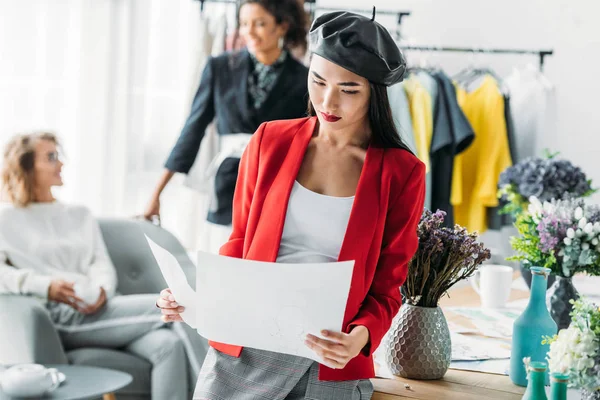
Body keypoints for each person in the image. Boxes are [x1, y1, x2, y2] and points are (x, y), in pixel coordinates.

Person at [158, 9, 425, 400]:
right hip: (247, 342)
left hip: (331, 355)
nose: (328, 100)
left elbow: (388, 285)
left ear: (374, 93)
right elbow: (238, 246)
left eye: (348, 89)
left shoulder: (402, 172)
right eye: (317, 81)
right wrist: (196, 298)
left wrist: (360, 338)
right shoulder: (270, 140)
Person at [0, 132, 202, 399]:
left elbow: (100, 262)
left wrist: (103, 290)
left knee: (168, 345)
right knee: (181, 306)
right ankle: (220, 393)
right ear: (25, 166)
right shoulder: (7, 219)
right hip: (65, 314)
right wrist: (45, 286)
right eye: (51, 157)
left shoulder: (79, 214)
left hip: (105, 307)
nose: (61, 163)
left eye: (59, 156)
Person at [144, 0, 309, 252]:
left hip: (280, 183)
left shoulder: (305, 78)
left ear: (282, 26)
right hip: (229, 181)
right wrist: (157, 193)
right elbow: (192, 130)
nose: (248, 32)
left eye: (260, 23)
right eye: (244, 24)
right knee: (221, 258)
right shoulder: (219, 68)